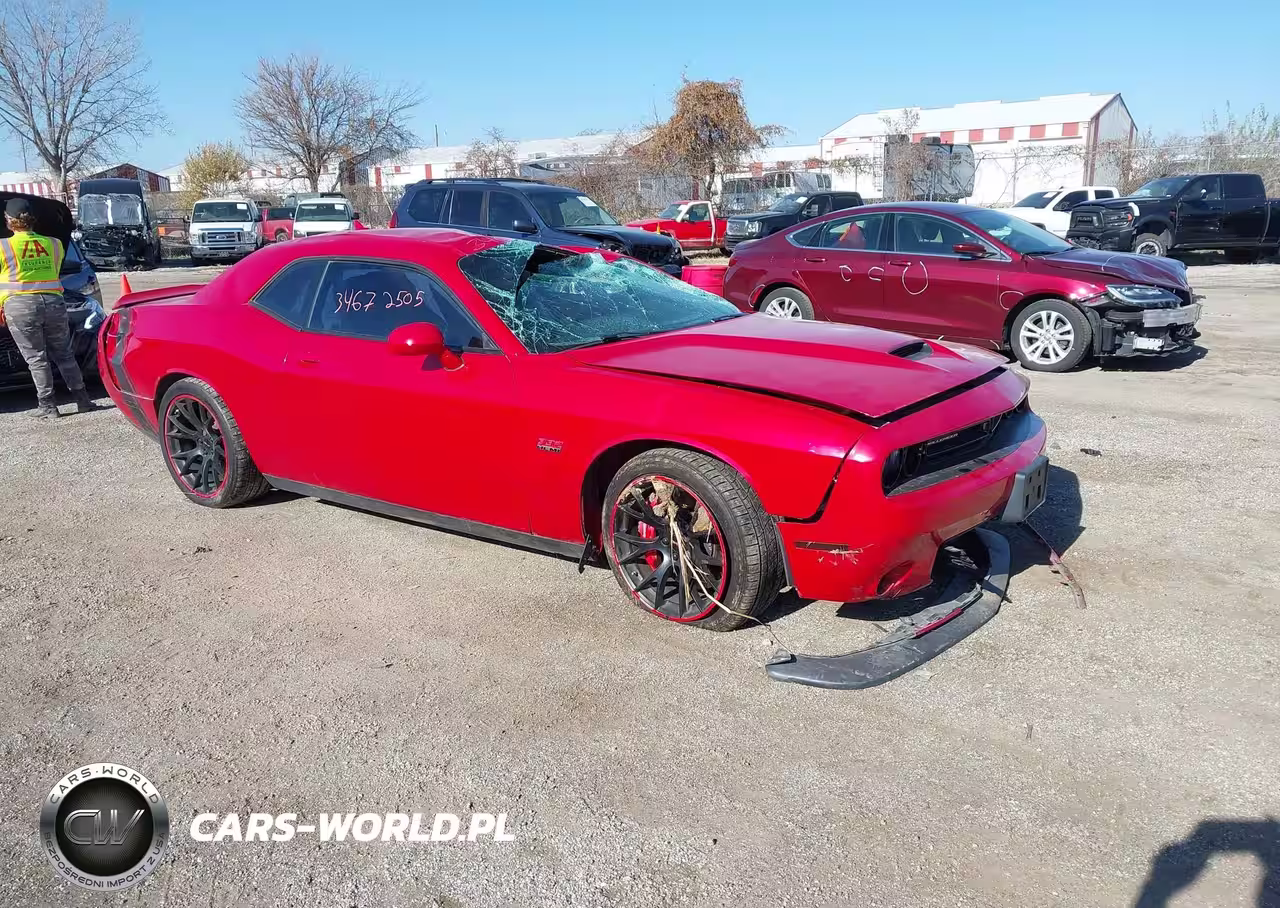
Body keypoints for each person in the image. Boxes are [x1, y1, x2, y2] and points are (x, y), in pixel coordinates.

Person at [0, 197, 100, 418]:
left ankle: (48, 406)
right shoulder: (54, 244)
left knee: (36, 357)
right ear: (32, 219)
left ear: (8, 220)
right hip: (54, 302)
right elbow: (54, 271)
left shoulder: (3, 246)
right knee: (64, 354)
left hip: (21, 305)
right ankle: (83, 400)